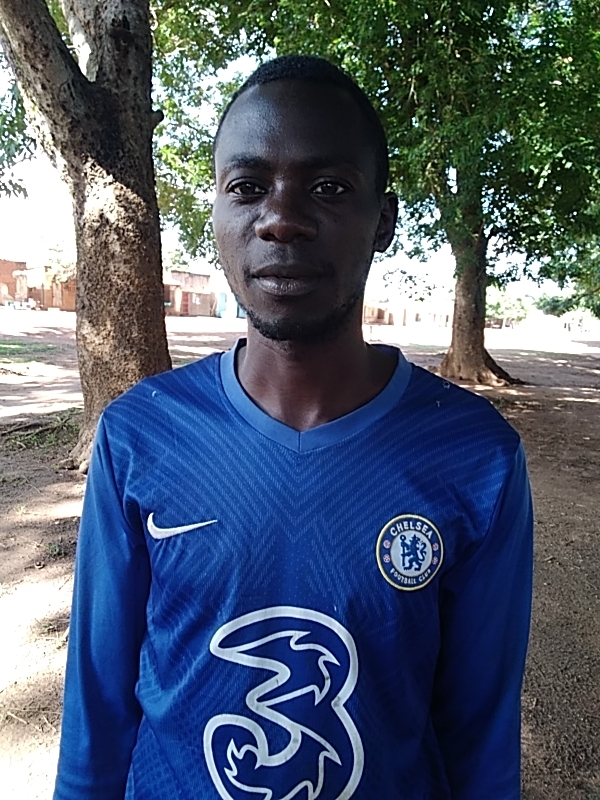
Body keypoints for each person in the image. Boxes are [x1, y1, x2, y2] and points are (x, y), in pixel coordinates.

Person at [53, 55, 533, 800]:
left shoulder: (475, 457)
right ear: (216, 213)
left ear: (384, 220)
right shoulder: (141, 434)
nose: (281, 218)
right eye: (248, 187)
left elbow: (480, 738)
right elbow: (97, 711)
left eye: (329, 187)